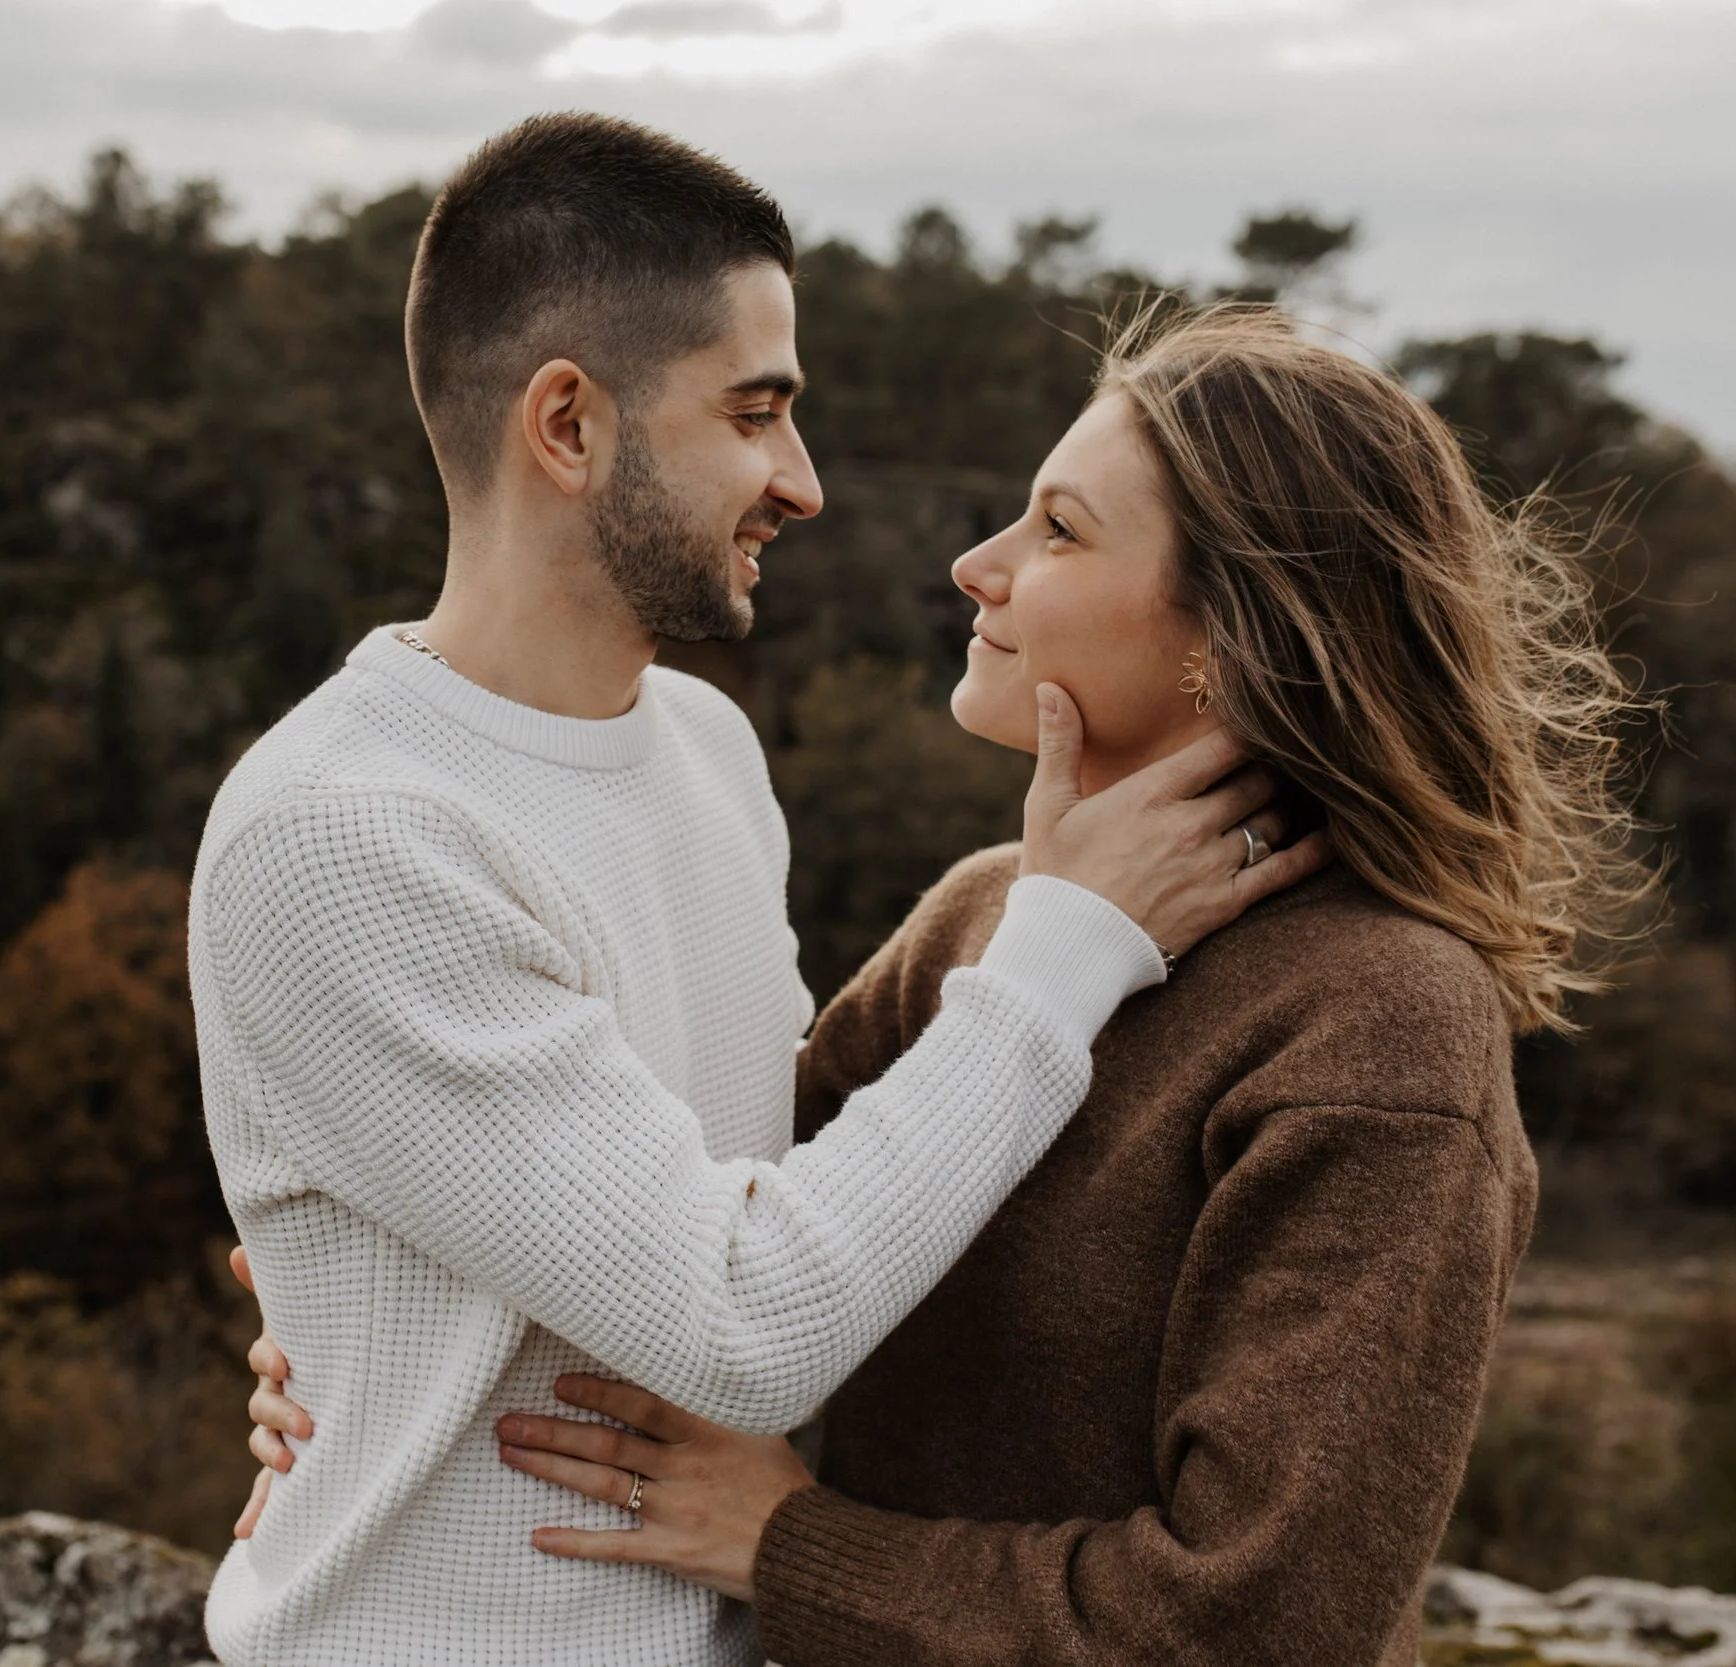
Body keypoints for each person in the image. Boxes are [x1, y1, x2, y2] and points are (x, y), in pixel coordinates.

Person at [246, 307, 1651, 1664]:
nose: (979, 564)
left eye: (1058, 529)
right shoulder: (987, 921)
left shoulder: (1382, 1019)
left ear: (1234, 636)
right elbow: (708, 1241)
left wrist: (792, 1548)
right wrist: (383, 1333)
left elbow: (1266, 1627)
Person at [190, 117, 1321, 1667]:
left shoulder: (708, 753)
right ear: (570, 427)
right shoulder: (347, 834)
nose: (803, 479)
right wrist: (1073, 937)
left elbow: (769, 1196)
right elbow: (743, 1313)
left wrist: (380, 1323)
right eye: (755, 411)